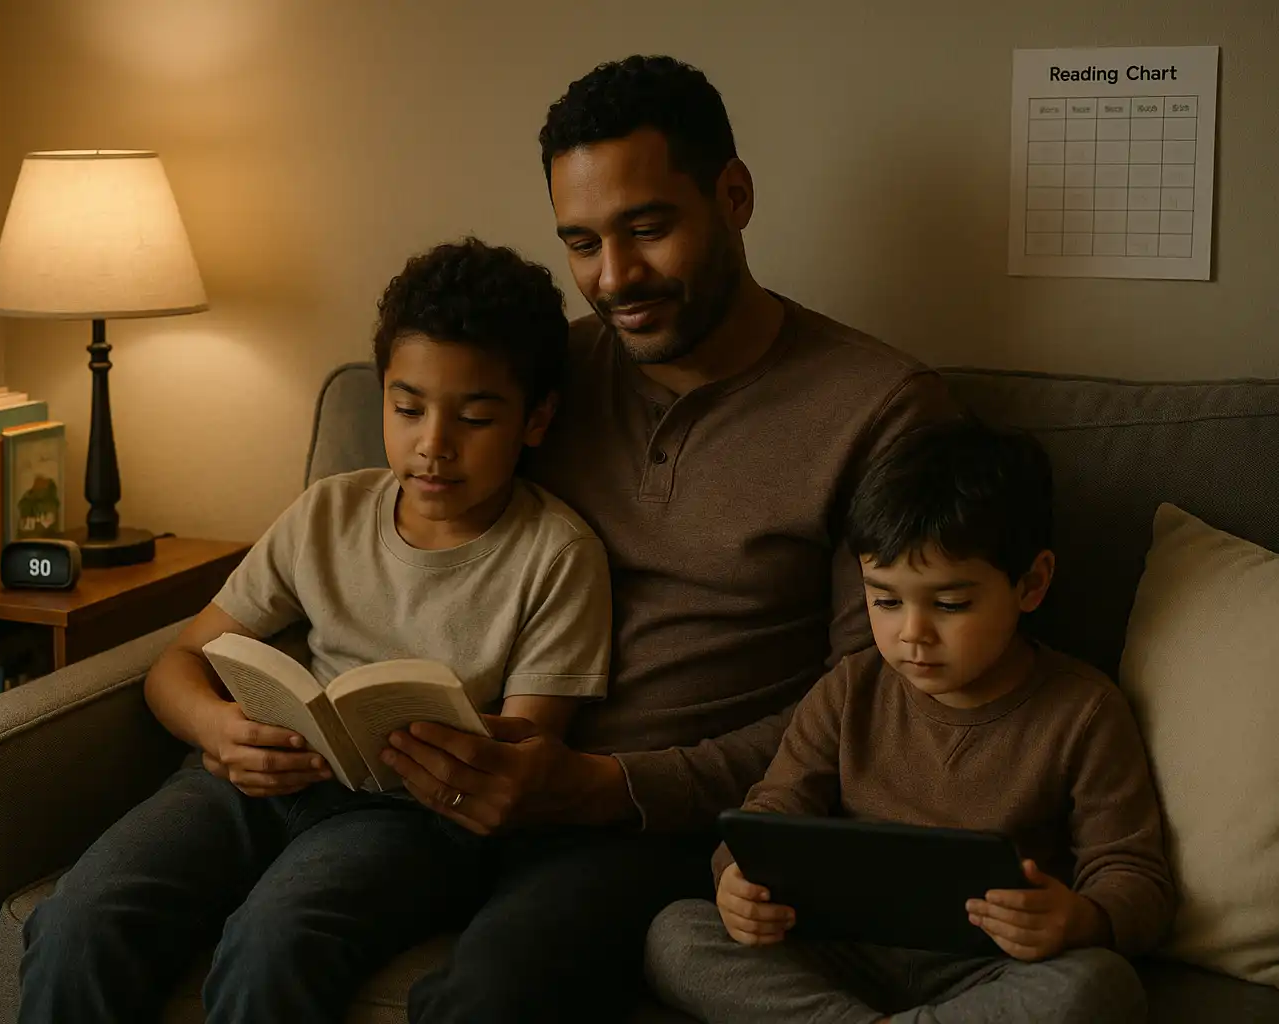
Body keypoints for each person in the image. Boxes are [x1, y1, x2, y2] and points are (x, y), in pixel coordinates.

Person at [383, 56, 961, 1022]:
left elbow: (879, 706)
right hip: (472, 775)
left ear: (733, 196)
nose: (614, 279)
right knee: (236, 921)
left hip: (670, 828)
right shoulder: (546, 377)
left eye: (647, 230)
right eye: (581, 242)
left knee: (489, 994)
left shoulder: (879, 412)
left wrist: (603, 786)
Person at [17, 238, 613, 1022]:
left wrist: (451, 755)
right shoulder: (330, 513)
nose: (433, 444)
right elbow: (179, 662)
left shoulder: (557, 555)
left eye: (473, 416)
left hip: (409, 819)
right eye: (407, 409)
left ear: (535, 418)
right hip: (254, 780)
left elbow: (524, 761)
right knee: (78, 918)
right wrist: (220, 730)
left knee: (273, 943)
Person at [646, 418, 1176, 1024]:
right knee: (677, 933)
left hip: (988, 963)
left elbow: (1136, 877)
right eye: (886, 600)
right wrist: (736, 878)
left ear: (1031, 584)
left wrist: (1079, 917)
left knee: (1099, 985)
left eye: (950, 605)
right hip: (837, 948)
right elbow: (773, 812)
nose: (912, 634)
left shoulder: (1084, 711)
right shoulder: (851, 688)